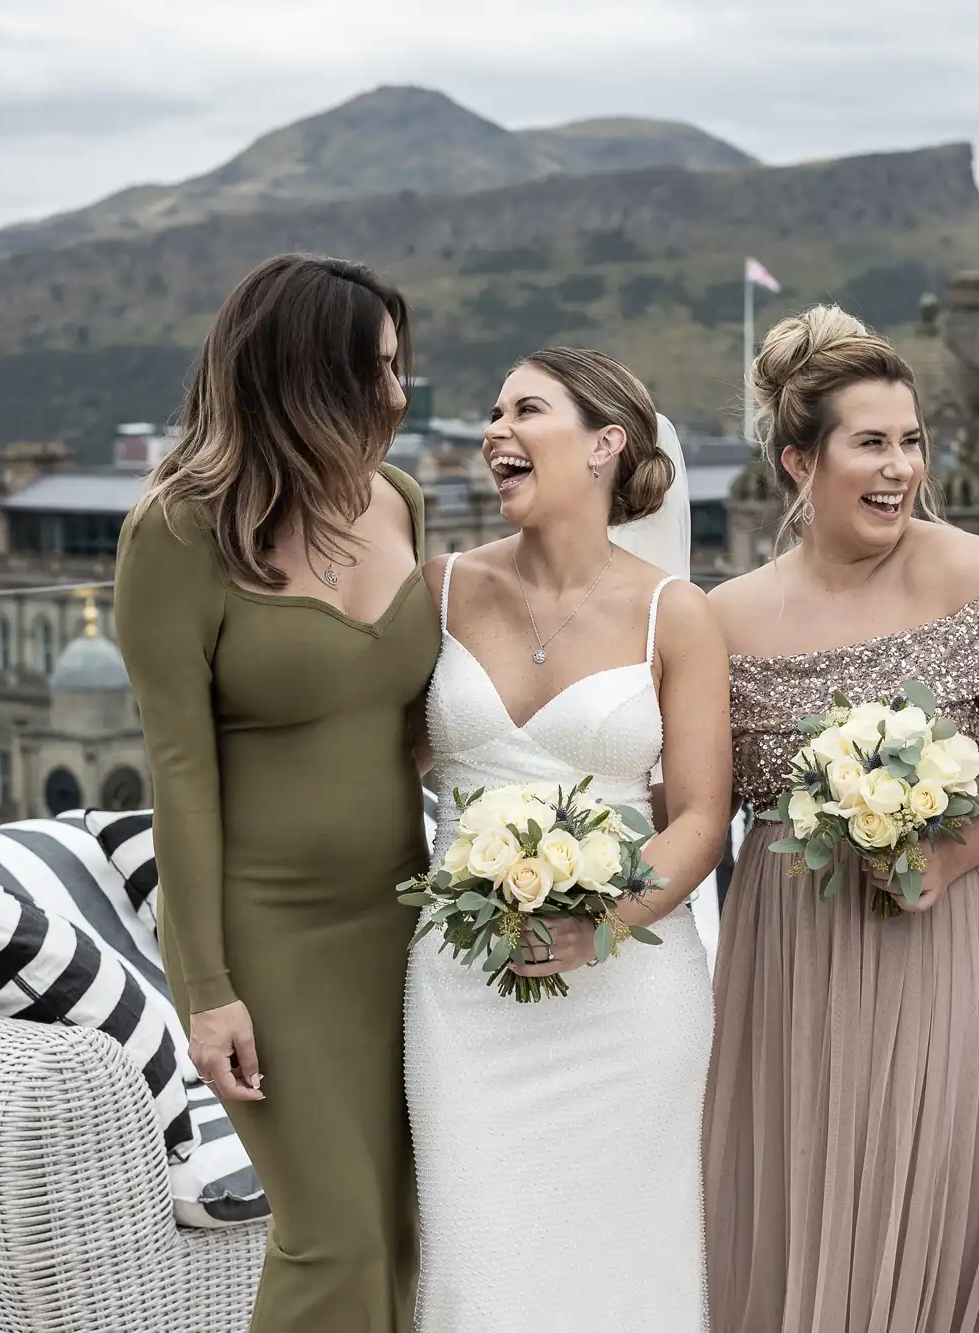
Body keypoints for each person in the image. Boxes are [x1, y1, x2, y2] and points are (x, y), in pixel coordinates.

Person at [705, 305, 979, 1333]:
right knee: (807, 1209)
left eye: (910, 441)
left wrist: (944, 858)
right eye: (869, 442)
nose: (899, 467)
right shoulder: (723, 618)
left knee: (946, 1215)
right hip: (793, 958)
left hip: (955, 931)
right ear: (796, 461)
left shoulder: (973, 573)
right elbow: (694, 802)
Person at [114, 253, 436, 1332]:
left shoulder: (399, 501)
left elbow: (415, 721)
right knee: (331, 1233)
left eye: (398, 368)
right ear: (302, 377)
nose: (397, 395)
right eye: (373, 372)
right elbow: (180, 773)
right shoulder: (176, 532)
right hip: (269, 940)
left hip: (405, 918)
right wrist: (206, 988)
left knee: (400, 1221)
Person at [404, 347, 730, 1332]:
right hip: (464, 997)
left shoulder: (678, 615)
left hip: (627, 1000)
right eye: (491, 413)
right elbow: (376, 769)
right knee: (474, 1260)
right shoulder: (437, 589)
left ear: (604, 445)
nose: (496, 431)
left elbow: (703, 816)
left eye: (525, 410)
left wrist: (610, 917)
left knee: (627, 1273)